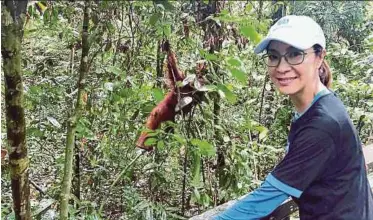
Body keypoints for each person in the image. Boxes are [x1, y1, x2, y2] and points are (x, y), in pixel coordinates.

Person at [213, 15, 373, 220]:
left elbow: (264, 200)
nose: (281, 67)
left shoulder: (323, 124)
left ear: (319, 57)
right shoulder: (319, 106)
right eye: (273, 56)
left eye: (295, 54)